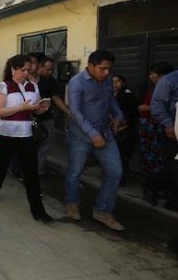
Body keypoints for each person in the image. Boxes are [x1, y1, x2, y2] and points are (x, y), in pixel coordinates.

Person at [0, 54, 53, 222]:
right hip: (6, 133)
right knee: (1, 165)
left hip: (26, 133)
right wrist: (20, 107)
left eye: (28, 70)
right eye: (22, 70)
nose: (26, 73)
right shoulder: (4, 86)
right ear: (13, 69)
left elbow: (34, 110)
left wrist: (41, 108)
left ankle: (38, 211)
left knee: (31, 171)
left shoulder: (33, 86)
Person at [65, 50, 125, 230]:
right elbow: (75, 111)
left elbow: (110, 101)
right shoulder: (77, 82)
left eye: (109, 69)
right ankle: (72, 201)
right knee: (76, 171)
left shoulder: (107, 80)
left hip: (104, 133)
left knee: (115, 172)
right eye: (103, 68)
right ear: (90, 66)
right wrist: (93, 134)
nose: (107, 73)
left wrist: (118, 115)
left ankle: (103, 210)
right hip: (81, 135)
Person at [138, 62, 174, 205]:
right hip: (155, 129)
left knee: (165, 161)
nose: (151, 76)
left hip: (161, 127)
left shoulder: (166, 87)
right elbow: (156, 108)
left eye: (154, 73)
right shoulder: (159, 88)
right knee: (155, 159)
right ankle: (151, 187)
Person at [35, 56, 71, 177]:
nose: (50, 72)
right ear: (39, 66)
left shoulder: (51, 81)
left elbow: (56, 98)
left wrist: (68, 111)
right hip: (30, 118)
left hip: (46, 119)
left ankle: (38, 170)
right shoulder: (31, 79)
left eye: (51, 70)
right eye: (47, 69)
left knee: (44, 145)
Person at [150, 68, 178, 211]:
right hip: (173, 129)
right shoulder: (168, 81)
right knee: (174, 165)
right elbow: (157, 106)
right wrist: (168, 125)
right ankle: (152, 185)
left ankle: (172, 198)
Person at [112, 75, 139, 186]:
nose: (115, 84)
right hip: (112, 129)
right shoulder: (109, 95)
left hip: (124, 130)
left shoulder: (128, 95)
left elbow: (132, 113)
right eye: (112, 82)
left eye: (118, 82)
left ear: (123, 83)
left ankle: (121, 179)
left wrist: (123, 122)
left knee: (121, 155)